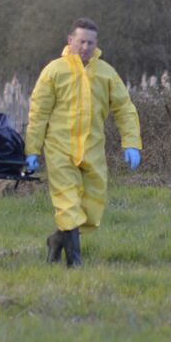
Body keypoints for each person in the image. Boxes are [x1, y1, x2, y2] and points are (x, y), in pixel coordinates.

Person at [24, 18, 142, 268]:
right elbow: (38, 114)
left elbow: (124, 109)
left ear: (96, 44)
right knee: (68, 206)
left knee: (90, 211)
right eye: (81, 41)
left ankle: (56, 241)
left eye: (90, 42)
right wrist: (32, 150)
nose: (85, 47)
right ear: (71, 41)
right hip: (60, 151)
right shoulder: (54, 71)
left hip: (92, 151)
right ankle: (74, 264)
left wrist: (131, 142)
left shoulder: (106, 73)